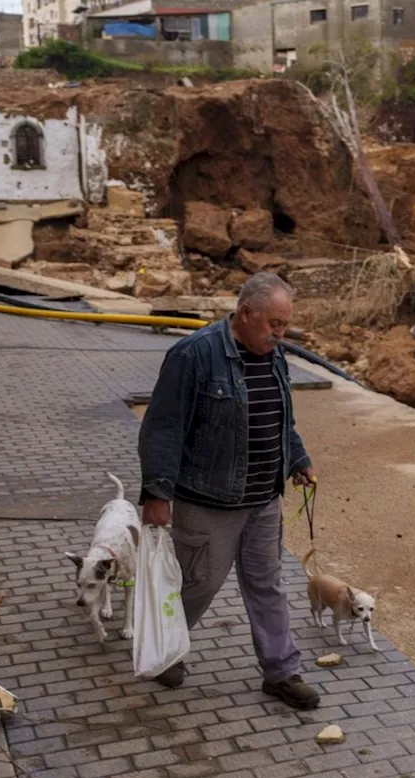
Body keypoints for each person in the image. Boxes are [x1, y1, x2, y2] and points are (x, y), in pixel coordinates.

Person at [137, 272, 319, 709]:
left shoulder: (274, 355)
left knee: (268, 585)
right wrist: (157, 493)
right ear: (245, 314)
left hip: (262, 500)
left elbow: (280, 417)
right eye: (273, 323)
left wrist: (297, 458)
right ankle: (166, 652)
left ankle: (281, 671)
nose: (280, 333)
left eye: (285, 325)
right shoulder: (194, 354)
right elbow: (162, 427)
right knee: (199, 583)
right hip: (209, 501)